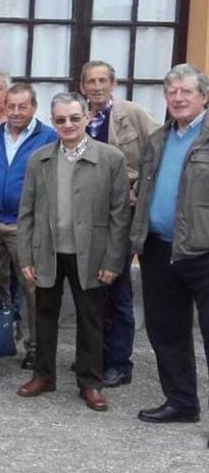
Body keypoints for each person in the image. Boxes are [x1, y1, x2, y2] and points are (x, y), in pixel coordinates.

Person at [16, 92, 129, 412]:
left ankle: (90, 383)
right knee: (45, 315)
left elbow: (119, 215)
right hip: (48, 251)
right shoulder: (39, 159)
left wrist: (113, 259)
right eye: (61, 119)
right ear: (53, 122)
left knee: (91, 319)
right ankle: (44, 375)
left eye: (74, 118)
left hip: (91, 253)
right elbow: (26, 213)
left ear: (87, 118)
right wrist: (26, 256)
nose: (68, 124)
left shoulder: (111, 159)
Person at [130, 64, 209, 428]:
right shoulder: (159, 138)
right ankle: (181, 402)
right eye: (171, 92)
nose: (177, 98)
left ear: (204, 97)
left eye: (186, 92)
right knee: (166, 332)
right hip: (159, 249)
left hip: (203, 252)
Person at [79, 60, 161, 388]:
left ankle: (119, 363)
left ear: (113, 83)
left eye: (102, 80)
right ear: (83, 85)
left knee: (117, 287)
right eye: (91, 81)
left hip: (121, 216)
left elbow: (160, 149)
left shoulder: (133, 114)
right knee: (91, 287)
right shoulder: (80, 116)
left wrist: (140, 187)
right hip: (87, 214)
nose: (97, 86)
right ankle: (94, 355)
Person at [0, 83, 57, 370]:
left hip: (26, 224)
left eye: (23, 106)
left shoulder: (48, 137)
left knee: (33, 286)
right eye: (12, 106)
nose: (16, 112)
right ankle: (0, 337)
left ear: (33, 107)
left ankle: (35, 347)